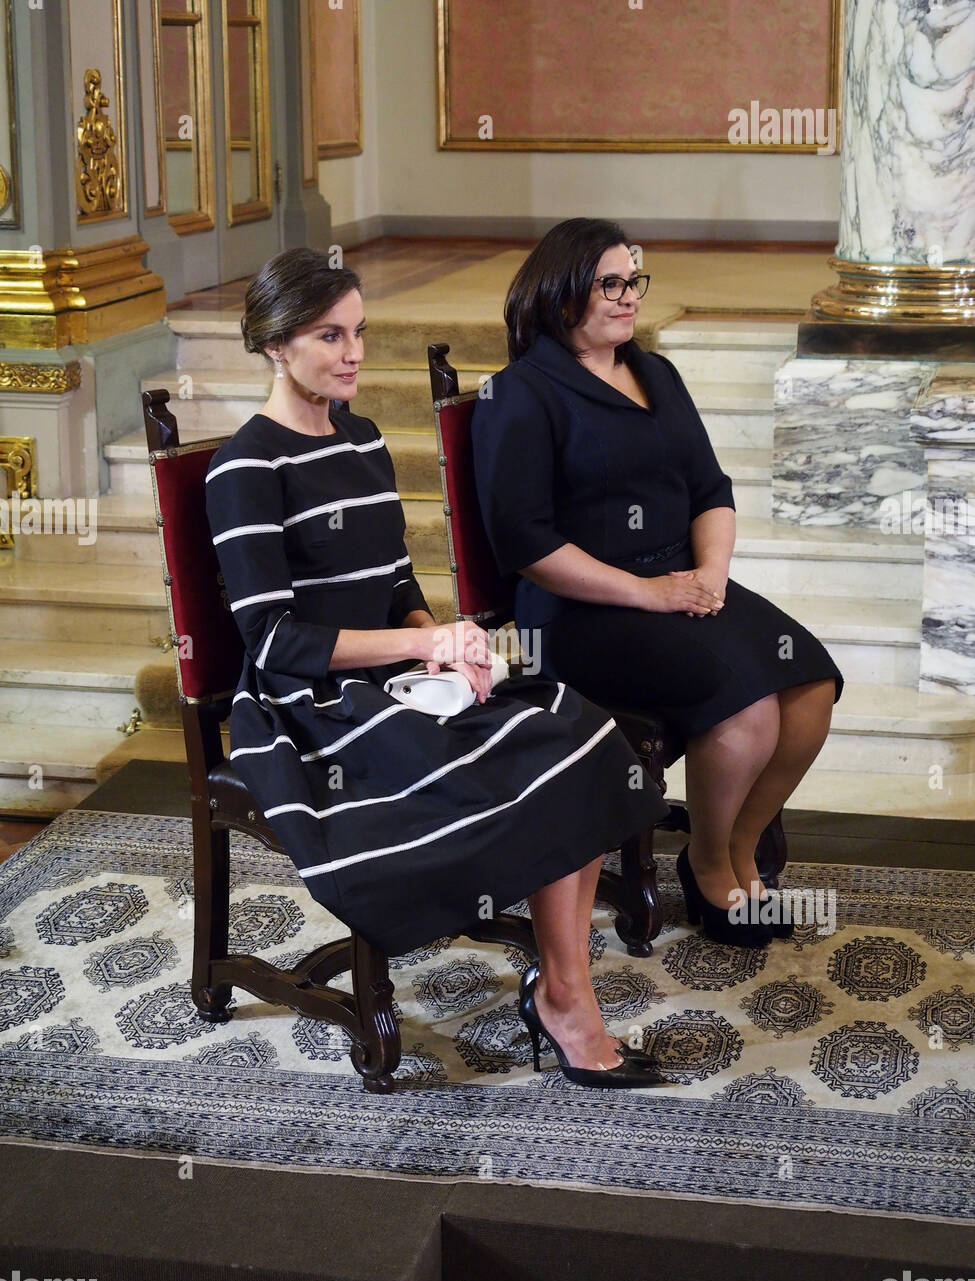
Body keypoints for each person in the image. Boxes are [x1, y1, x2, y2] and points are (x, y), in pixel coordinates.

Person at [204, 247, 670, 1088]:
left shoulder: (366, 437)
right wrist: (422, 648)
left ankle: (563, 985)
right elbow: (275, 641)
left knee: (578, 731)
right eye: (328, 336)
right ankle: (567, 1000)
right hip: (308, 705)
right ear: (276, 346)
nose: (352, 353)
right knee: (496, 764)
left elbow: (392, 581)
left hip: (394, 670)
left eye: (359, 333)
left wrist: (446, 636)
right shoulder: (245, 467)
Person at [471, 219, 843, 949]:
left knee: (808, 689)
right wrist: (647, 593)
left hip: (678, 579)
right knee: (747, 710)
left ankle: (739, 852)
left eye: (631, 281)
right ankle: (710, 869)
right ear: (559, 293)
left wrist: (707, 573)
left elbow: (710, 486)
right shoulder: (519, 394)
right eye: (608, 283)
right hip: (579, 611)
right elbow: (525, 543)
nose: (626, 297)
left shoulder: (656, 373)